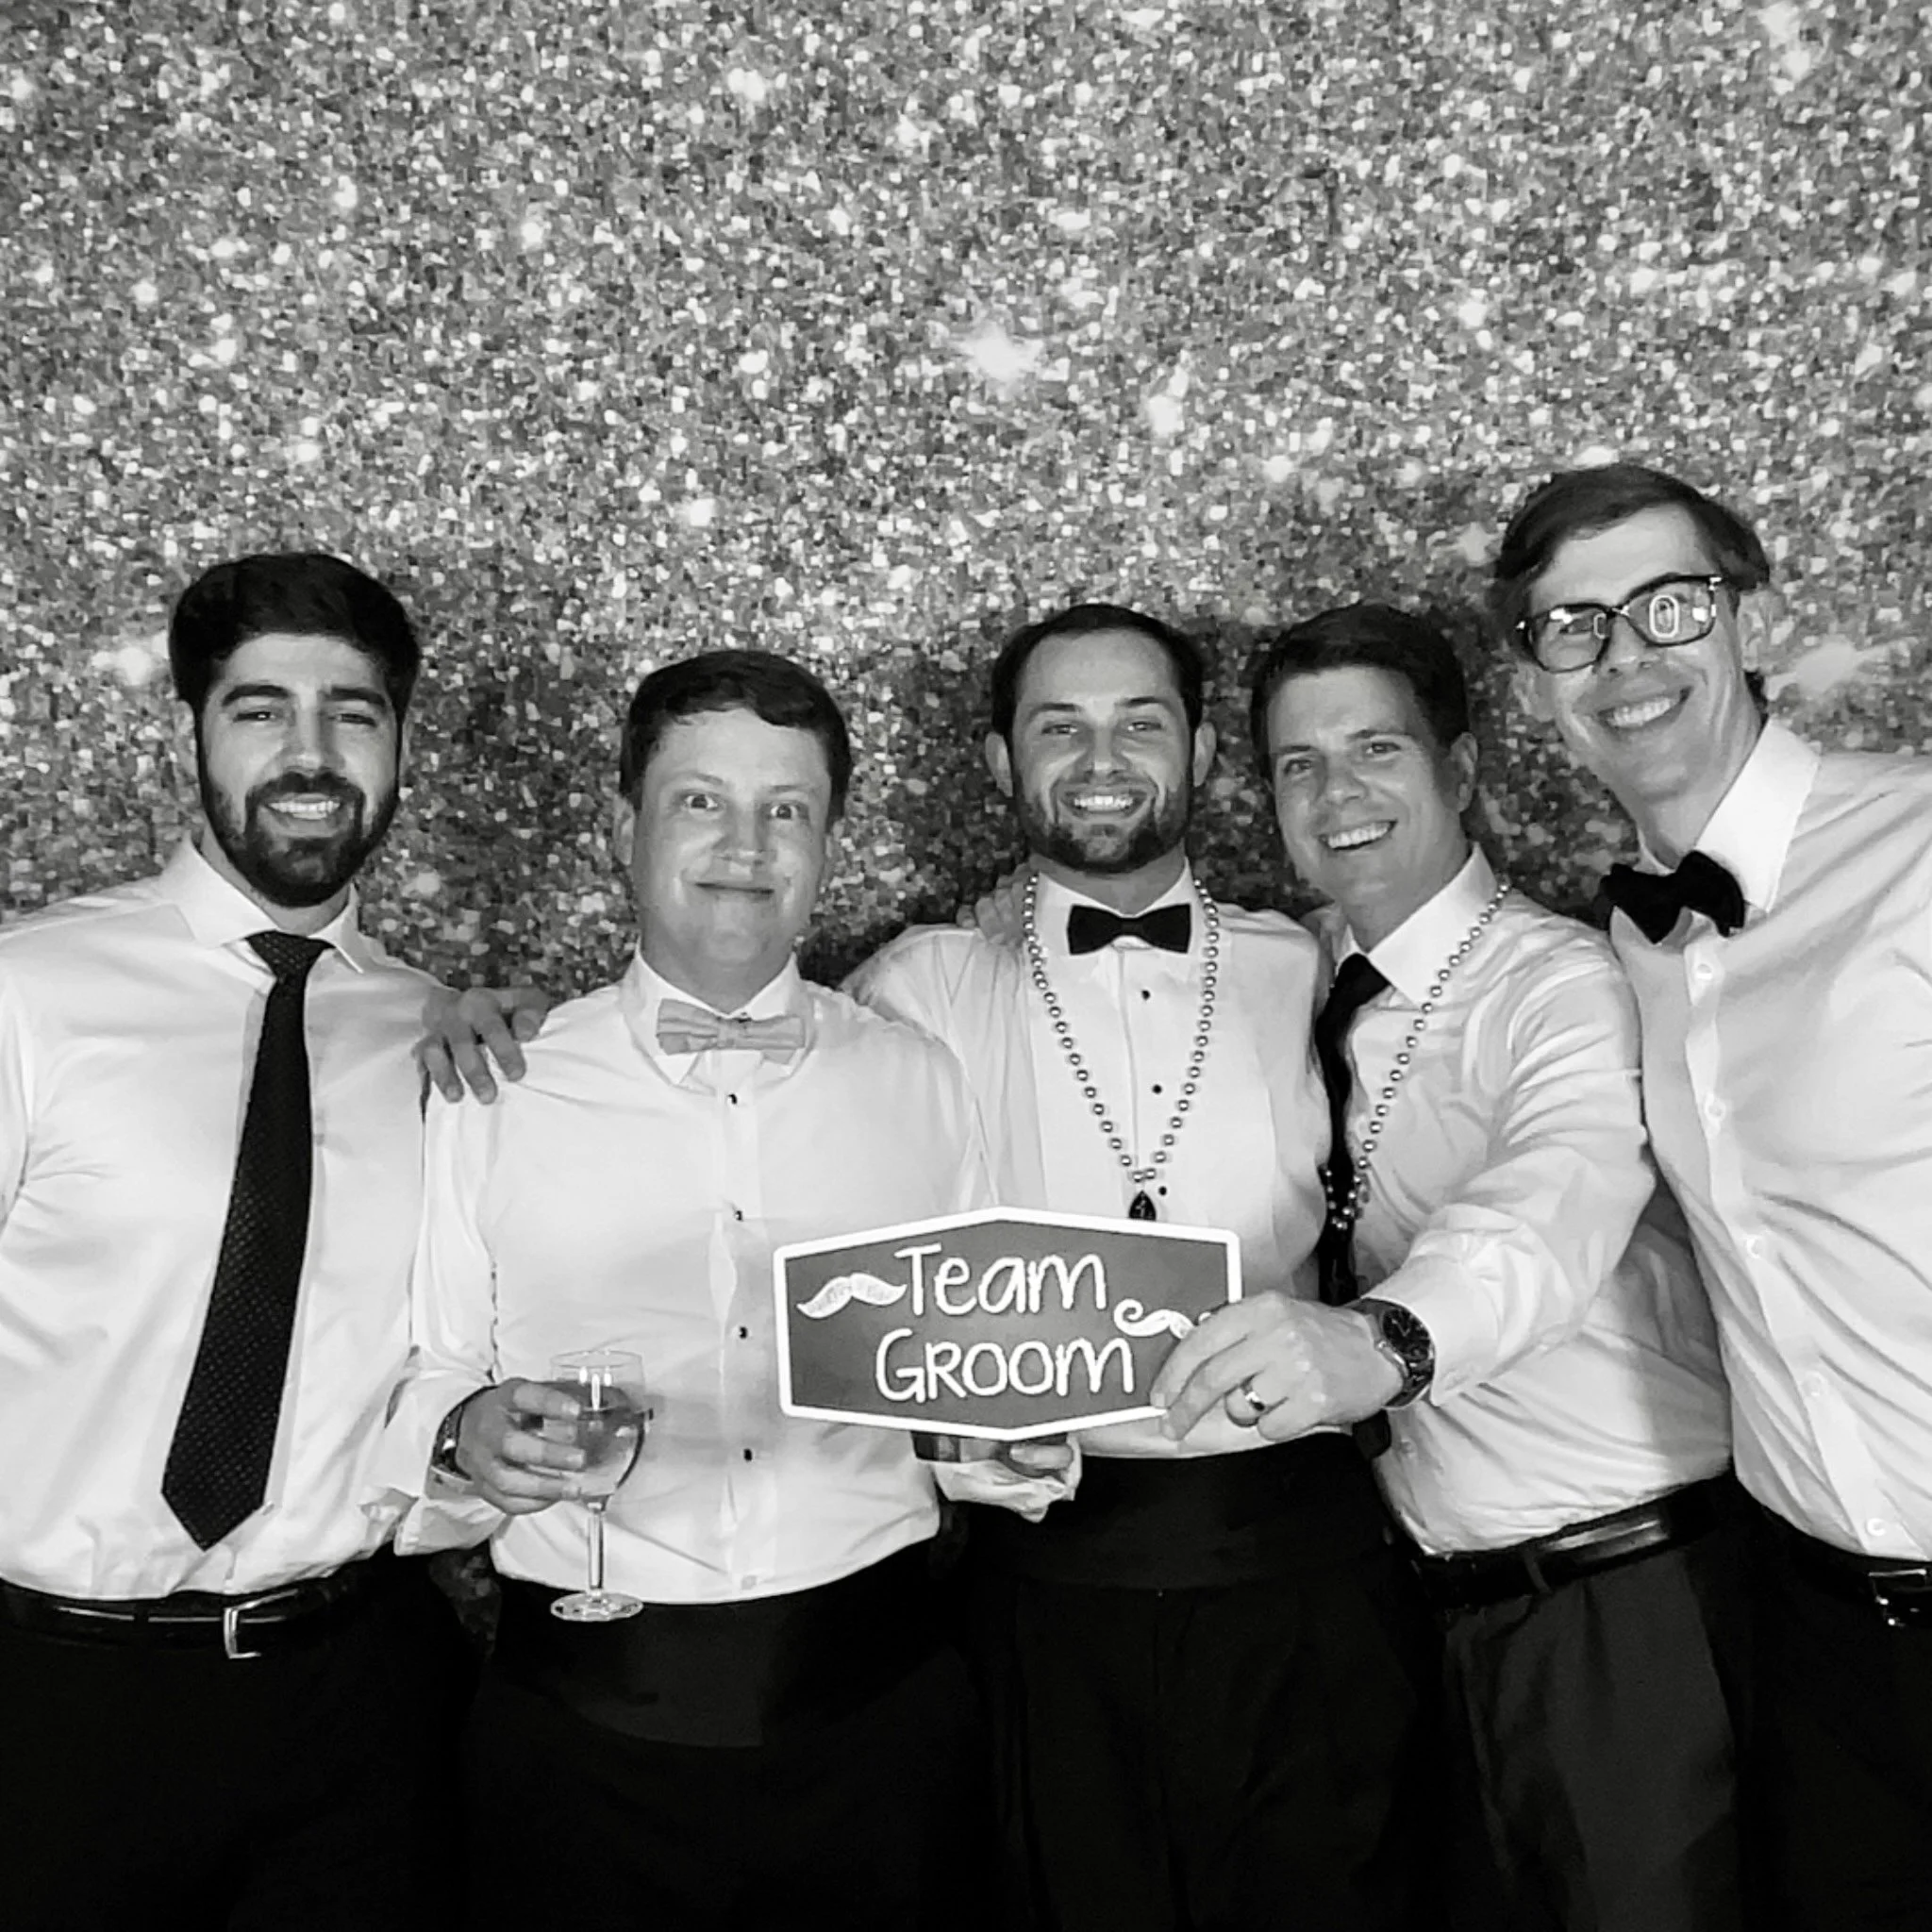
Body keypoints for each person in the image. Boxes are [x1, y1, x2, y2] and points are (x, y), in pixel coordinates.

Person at [377, 649, 1016, 1932]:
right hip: (581, 1733)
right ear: (625, 827)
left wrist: (1011, 1435)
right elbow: (435, 1367)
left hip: (883, 1723)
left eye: (787, 808)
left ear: (830, 842)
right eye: (701, 801)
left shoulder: (925, 1083)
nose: (746, 842)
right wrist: (464, 1434)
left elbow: (976, 1393)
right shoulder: (496, 1080)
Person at [1156, 602, 1749, 1931]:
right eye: (1300, 764)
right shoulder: (1289, 972)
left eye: (1376, 750)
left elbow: (1551, 1203)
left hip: (1622, 1609)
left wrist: (1383, 1348)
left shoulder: (1558, 983)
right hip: (1420, 1618)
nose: (1337, 793)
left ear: (1462, 771)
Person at [845, 603, 1437, 1932]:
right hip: (1046, 1575)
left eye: (1139, 722)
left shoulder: (1315, 963)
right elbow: (839, 1253)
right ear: (1002, 763)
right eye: (1059, 727)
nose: (1099, 757)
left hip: (1306, 1554)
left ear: (1206, 752)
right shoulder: (914, 987)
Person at [0, 553, 471, 1931]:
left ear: (398, 745)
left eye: (354, 713)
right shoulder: (28, 995)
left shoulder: (444, 1033)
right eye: (262, 710)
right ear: (193, 732)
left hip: (352, 1697)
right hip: (50, 1701)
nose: (311, 754)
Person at [1492, 462, 1932, 1932]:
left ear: (1745, 618)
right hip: (1812, 1623)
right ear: (1539, 679)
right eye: (1574, 626)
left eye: (1668, 605)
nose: (1625, 659)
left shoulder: (1921, 846)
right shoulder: (1616, 953)